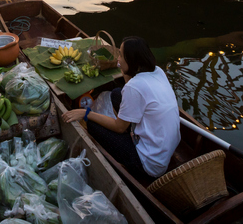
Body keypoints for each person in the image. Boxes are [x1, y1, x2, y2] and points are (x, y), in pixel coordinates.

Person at [62, 36, 180, 181]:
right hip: (163, 150)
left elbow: (119, 127)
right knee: (117, 94)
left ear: (132, 61)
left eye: (121, 56)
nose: (118, 59)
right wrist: (126, 71)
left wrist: (86, 113)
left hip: (148, 164)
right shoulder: (157, 71)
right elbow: (130, 87)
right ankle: (130, 132)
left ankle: (128, 157)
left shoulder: (135, 86)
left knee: (93, 124)